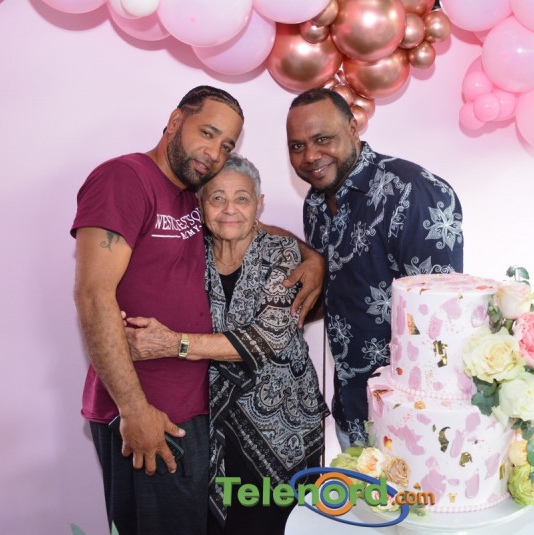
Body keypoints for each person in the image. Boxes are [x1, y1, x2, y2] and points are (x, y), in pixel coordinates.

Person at [71, 86, 324, 535]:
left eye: (226, 144)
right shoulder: (124, 178)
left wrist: (312, 257)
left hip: (197, 414)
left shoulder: (189, 191)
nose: (214, 152)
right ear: (175, 121)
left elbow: (240, 220)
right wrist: (135, 410)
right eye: (207, 133)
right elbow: (93, 295)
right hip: (147, 413)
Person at [123, 153, 329, 535]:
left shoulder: (281, 252)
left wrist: (172, 344)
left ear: (259, 204)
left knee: (272, 524)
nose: (229, 209)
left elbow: (268, 336)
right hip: (212, 421)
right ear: (201, 206)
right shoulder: (189, 253)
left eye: (242, 198)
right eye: (217, 198)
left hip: (282, 426)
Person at [286, 88, 464, 450]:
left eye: (323, 139)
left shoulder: (412, 192)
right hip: (350, 411)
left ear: (353, 129)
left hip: (412, 425)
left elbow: (440, 322)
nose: (310, 156)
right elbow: (341, 295)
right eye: (297, 146)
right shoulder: (315, 204)